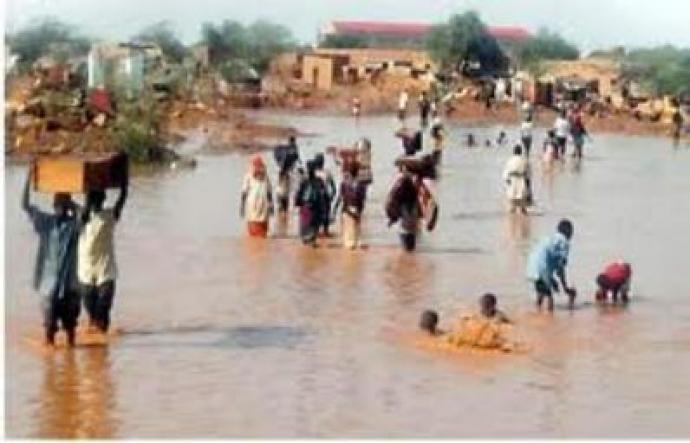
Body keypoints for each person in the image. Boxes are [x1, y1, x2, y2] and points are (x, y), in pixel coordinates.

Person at [22, 169, 80, 346]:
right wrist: (28, 179)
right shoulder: (45, 223)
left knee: (71, 334)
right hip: (49, 287)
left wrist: (73, 204)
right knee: (49, 334)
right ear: (54, 206)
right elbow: (25, 205)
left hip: (70, 288)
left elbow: (85, 216)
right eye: (59, 204)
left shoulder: (74, 226)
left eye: (64, 205)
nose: (61, 208)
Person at [78, 160, 128, 335]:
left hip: (105, 271)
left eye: (99, 198)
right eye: (94, 198)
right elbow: (67, 202)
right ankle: (99, 347)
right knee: (92, 314)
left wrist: (124, 180)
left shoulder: (108, 217)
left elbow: (122, 199)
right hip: (85, 272)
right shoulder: (81, 217)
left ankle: (102, 352)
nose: (97, 201)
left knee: (103, 312)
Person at [526, 219, 577, 311]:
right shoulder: (564, 242)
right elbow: (560, 267)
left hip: (532, 267)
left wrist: (552, 279)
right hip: (542, 268)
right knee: (549, 297)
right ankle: (550, 318)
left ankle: (537, 314)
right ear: (569, 232)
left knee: (541, 292)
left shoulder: (548, 238)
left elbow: (545, 257)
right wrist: (565, 287)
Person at [331, 162, 367, 249]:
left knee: (348, 239)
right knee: (355, 237)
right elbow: (362, 200)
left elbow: (339, 198)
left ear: (349, 172)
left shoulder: (344, 183)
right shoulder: (362, 185)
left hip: (347, 210)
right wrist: (359, 212)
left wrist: (334, 211)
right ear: (358, 172)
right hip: (356, 210)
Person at [386, 166, 421, 252]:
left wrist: (392, 219)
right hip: (413, 227)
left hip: (404, 228)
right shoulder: (414, 198)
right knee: (411, 248)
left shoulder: (401, 201)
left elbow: (392, 203)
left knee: (405, 248)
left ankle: (407, 259)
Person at [295, 160, 329, 246]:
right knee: (313, 232)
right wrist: (324, 210)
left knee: (305, 232)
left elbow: (298, 196)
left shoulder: (304, 181)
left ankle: (307, 249)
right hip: (316, 210)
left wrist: (298, 204)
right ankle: (311, 247)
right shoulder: (319, 181)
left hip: (305, 210)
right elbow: (324, 195)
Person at [240, 154, 274, 238]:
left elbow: (269, 192)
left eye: (259, 165)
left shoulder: (265, 176)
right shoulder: (248, 176)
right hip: (253, 206)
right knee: (253, 227)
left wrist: (271, 205)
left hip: (263, 206)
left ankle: (260, 244)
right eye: (256, 165)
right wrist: (242, 206)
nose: (258, 168)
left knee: (262, 228)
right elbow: (244, 192)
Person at [273, 136, 301, 214]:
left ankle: (282, 216)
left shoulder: (286, 150)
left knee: (281, 203)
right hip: (284, 187)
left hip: (281, 189)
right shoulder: (293, 149)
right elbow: (297, 158)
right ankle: (284, 215)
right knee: (285, 203)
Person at [502, 144, 532, 214]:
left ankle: (512, 220)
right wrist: (529, 187)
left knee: (512, 205)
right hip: (522, 181)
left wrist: (507, 182)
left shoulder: (510, 160)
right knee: (522, 206)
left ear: (514, 152)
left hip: (512, 181)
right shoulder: (525, 160)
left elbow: (506, 173)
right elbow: (528, 174)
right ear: (521, 152)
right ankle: (524, 221)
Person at [313, 153, 337, 236]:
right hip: (324, 195)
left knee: (317, 214)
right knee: (326, 214)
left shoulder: (313, 172)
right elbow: (333, 187)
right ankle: (325, 231)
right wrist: (332, 195)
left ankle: (317, 231)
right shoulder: (327, 172)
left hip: (316, 196)